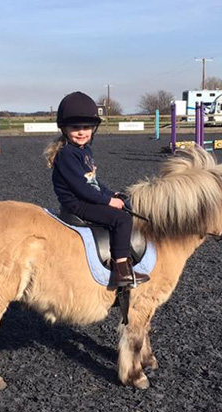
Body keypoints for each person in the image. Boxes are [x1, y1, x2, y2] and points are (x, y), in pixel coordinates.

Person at [44, 91, 149, 287]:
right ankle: (121, 269)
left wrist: (113, 194)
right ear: (64, 128)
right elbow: (82, 188)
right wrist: (108, 202)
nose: (82, 132)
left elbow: (94, 182)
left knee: (125, 206)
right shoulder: (67, 154)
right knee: (121, 219)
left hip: (86, 198)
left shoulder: (84, 151)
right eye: (75, 127)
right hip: (77, 204)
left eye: (86, 127)